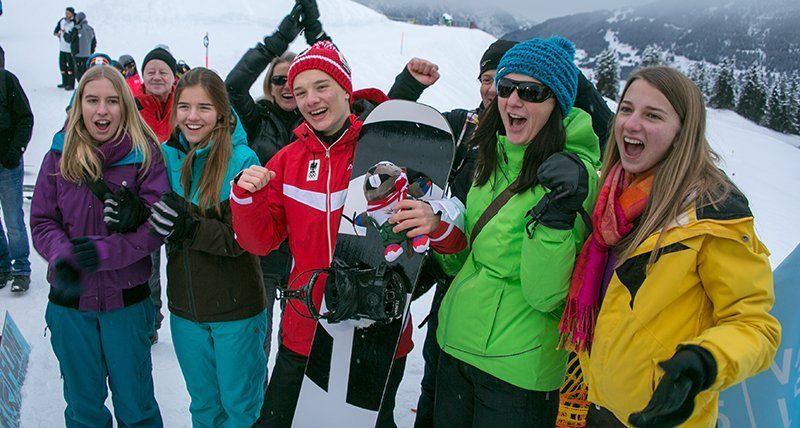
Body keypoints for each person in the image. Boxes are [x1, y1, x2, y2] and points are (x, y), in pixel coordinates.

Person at [230, 40, 464, 428]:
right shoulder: (288, 161)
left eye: (321, 86)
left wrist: (436, 222)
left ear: (345, 89)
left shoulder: (384, 152)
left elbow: (453, 240)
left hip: (375, 333)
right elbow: (260, 242)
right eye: (300, 91)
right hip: (306, 329)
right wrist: (244, 198)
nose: (310, 99)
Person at [387, 38, 613, 427]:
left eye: (531, 92)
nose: (511, 99)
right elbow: (463, 261)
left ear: (558, 103)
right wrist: (440, 229)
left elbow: (546, 295)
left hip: (517, 370)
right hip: (455, 347)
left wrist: (555, 219)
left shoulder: (574, 178)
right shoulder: (495, 155)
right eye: (506, 87)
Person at [557, 66, 782, 428]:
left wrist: (705, 361)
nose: (631, 123)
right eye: (627, 109)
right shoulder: (611, 196)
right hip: (598, 404)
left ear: (682, 132)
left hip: (666, 416)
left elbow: (756, 325)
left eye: (653, 115)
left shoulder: (712, 214)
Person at [29, 64, 167, 427]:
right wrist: (64, 254)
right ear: (79, 106)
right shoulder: (58, 156)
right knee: (84, 409)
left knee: (137, 408)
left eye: (111, 101)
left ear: (125, 106)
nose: (101, 110)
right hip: (71, 306)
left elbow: (157, 224)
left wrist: (107, 253)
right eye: (92, 100)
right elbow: (42, 220)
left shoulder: (144, 155)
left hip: (127, 304)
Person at [148, 67, 266, 427]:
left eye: (204, 107)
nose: (193, 117)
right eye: (185, 107)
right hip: (187, 309)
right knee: (203, 406)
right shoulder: (166, 156)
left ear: (221, 112)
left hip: (235, 309)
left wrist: (188, 226)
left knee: (240, 408)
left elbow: (240, 239)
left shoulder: (242, 160)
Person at [224, 0, 327, 389]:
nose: (286, 86)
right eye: (279, 79)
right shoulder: (256, 119)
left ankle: (292, 401)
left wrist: (315, 34)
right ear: (269, 85)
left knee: (303, 340)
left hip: (305, 246)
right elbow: (232, 86)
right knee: (260, 336)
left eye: (294, 80)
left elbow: (336, 79)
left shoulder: (319, 124)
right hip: (266, 249)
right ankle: (258, 405)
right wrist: (280, 39)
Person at [136, 45, 180, 342]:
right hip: (146, 201)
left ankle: (186, 323)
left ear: (173, 76)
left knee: (181, 267)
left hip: (179, 199)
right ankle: (150, 322)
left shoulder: (184, 103)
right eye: (150, 71)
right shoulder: (132, 106)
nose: (156, 76)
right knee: (148, 268)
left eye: (163, 71)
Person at [0, 46, 34, 292]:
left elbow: (25, 118)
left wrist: (14, 152)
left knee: (13, 219)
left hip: (7, 164)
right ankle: (3, 266)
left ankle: (21, 268)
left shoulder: (7, 81)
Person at [65, 11, 96, 83]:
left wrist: (65, 35)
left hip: (78, 54)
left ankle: (81, 86)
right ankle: (86, 85)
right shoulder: (90, 29)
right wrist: (91, 52)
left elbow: (70, 39)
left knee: (78, 72)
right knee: (86, 71)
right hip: (88, 54)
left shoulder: (76, 29)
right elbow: (94, 42)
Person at [53, 7, 75, 90]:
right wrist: (57, 34)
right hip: (62, 47)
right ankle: (64, 82)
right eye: (66, 13)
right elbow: (56, 30)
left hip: (70, 49)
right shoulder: (62, 21)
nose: (67, 15)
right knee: (62, 65)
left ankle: (70, 84)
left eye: (68, 13)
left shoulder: (74, 22)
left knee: (70, 67)